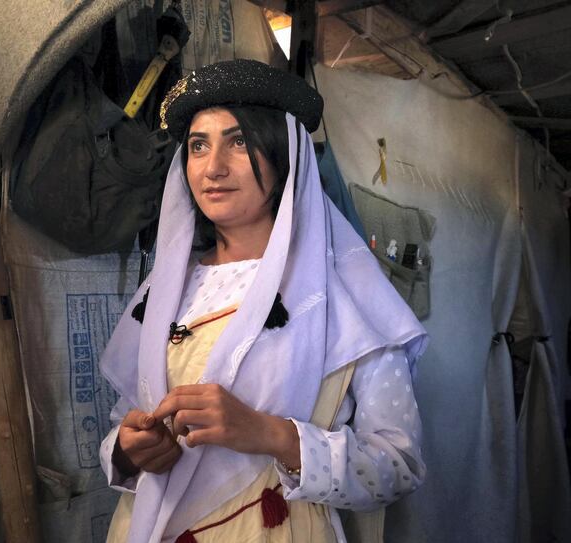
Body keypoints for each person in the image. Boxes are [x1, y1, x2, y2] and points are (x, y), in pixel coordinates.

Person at [99, 59, 427, 543]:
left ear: (283, 155)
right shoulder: (166, 292)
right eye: (198, 145)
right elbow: (126, 420)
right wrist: (129, 450)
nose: (213, 167)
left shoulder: (345, 297)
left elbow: (398, 466)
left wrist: (270, 434)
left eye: (239, 141)